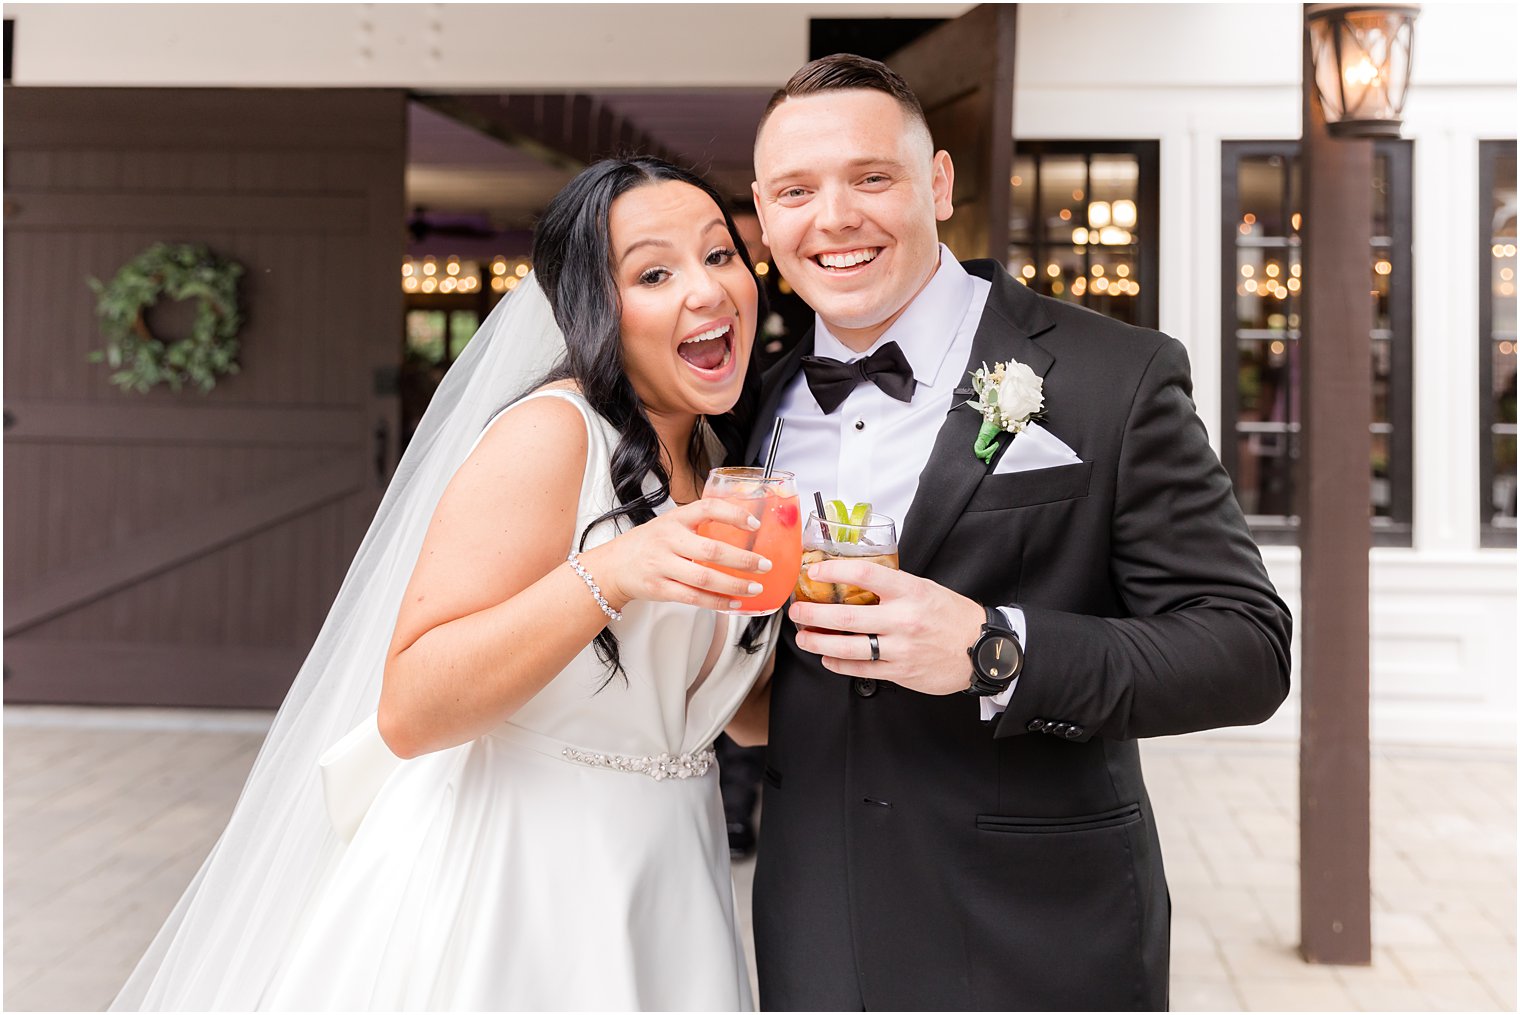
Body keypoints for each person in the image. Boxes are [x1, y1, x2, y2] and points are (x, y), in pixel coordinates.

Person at [112, 156, 778, 1011]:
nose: (709, 289)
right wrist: (610, 570)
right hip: (519, 877)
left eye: (720, 254)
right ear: (594, 308)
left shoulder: (721, 467)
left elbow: (736, 715)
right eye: (655, 271)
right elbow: (411, 707)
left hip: (668, 873)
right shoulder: (553, 435)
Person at [744, 55, 1292, 1011]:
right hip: (814, 932)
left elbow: (1247, 647)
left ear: (940, 183)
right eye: (797, 190)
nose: (832, 218)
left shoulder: (1113, 375)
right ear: (763, 212)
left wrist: (999, 650)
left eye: (871, 177)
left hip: (1041, 936)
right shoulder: (749, 407)